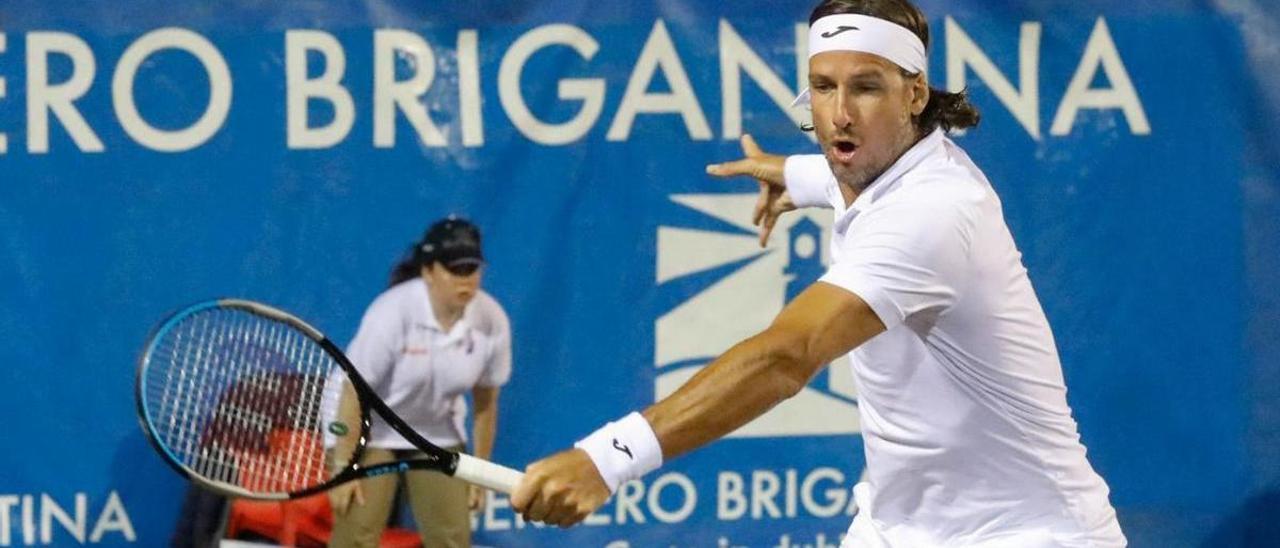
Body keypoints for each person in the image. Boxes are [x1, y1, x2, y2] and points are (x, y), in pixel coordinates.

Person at [510, 0, 1127, 546]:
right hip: (895, 528)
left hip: (1029, 533)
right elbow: (838, 174)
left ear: (915, 94)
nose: (839, 115)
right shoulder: (883, 168)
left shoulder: (932, 212)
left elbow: (788, 356)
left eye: (865, 87)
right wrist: (793, 175)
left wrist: (610, 457)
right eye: (822, 87)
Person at [327, 216, 512, 548]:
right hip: (369, 428)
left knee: (452, 538)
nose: (465, 280)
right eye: (454, 269)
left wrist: (480, 474)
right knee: (356, 535)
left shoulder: (491, 320)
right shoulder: (392, 313)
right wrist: (343, 465)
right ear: (428, 271)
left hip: (435, 431)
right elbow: (352, 394)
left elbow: (486, 405)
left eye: (472, 269)